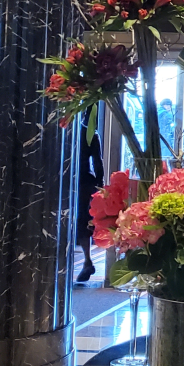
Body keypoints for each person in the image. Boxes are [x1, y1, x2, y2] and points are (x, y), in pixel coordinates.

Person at [76, 108, 104, 283]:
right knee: (83, 223)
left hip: (70, 181)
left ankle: (84, 262)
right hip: (86, 182)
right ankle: (86, 259)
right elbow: (98, 162)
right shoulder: (90, 134)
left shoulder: (66, 133)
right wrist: (99, 186)